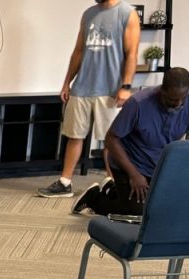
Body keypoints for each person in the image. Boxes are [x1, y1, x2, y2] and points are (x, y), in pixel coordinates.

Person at [71, 68, 189, 216]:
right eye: (172, 99)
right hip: (129, 163)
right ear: (162, 90)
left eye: (183, 98)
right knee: (141, 215)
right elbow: (111, 140)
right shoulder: (138, 103)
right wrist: (134, 174)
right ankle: (95, 198)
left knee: (168, 210)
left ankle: (113, 190)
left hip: (159, 165)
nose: (178, 103)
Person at [37, 0, 140, 199]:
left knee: (111, 140)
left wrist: (126, 86)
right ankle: (65, 182)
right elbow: (78, 51)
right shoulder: (89, 14)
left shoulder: (127, 13)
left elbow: (132, 54)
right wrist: (67, 82)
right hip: (82, 87)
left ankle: (114, 184)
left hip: (109, 89)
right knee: (74, 135)